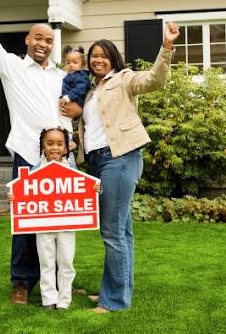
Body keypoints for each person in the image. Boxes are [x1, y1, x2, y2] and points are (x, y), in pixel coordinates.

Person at [0, 0, 82, 305]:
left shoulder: (62, 77)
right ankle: (22, 281)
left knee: (62, 224)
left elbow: (71, 113)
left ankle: (63, 286)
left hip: (62, 159)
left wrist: (73, 128)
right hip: (27, 156)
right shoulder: (13, 68)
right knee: (26, 223)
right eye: (38, 38)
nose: (44, 44)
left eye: (49, 39)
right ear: (27, 40)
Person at [77, 23, 180, 313]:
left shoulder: (124, 79)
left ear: (113, 59)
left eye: (103, 55)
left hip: (120, 157)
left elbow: (154, 81)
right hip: (98, 161)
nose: (98, 59)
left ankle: (115, 300)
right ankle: (118, 290)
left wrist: (167, 48)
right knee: (122, 231)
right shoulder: (90, 91)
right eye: (93, 56)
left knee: (112, 232)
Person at [9, 127, 100, 310]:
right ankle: (48, 299)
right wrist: (14, 196)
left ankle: (64, 300)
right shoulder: (35, 170)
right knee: (46, 263)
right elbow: (23, 190)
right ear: (43, 146)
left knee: (66, 262)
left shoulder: (72, 170)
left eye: (59, 144)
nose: (55, 148)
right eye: (50, 143)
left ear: (66, 148)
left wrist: (95, 190)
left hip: (67, 228)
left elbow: (85, 188)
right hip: (43, 228)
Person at [59, 46, 90, 148]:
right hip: (69, 100)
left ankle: (69, 141)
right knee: (63, 121)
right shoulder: (69, 75)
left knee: (65, 121)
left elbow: (81, 89)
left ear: (82, 64)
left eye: (75, 62)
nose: (71, 65)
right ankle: (65, 139)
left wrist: (67, 97)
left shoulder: (81, 75)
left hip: (76, 101)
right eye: (68, 63)